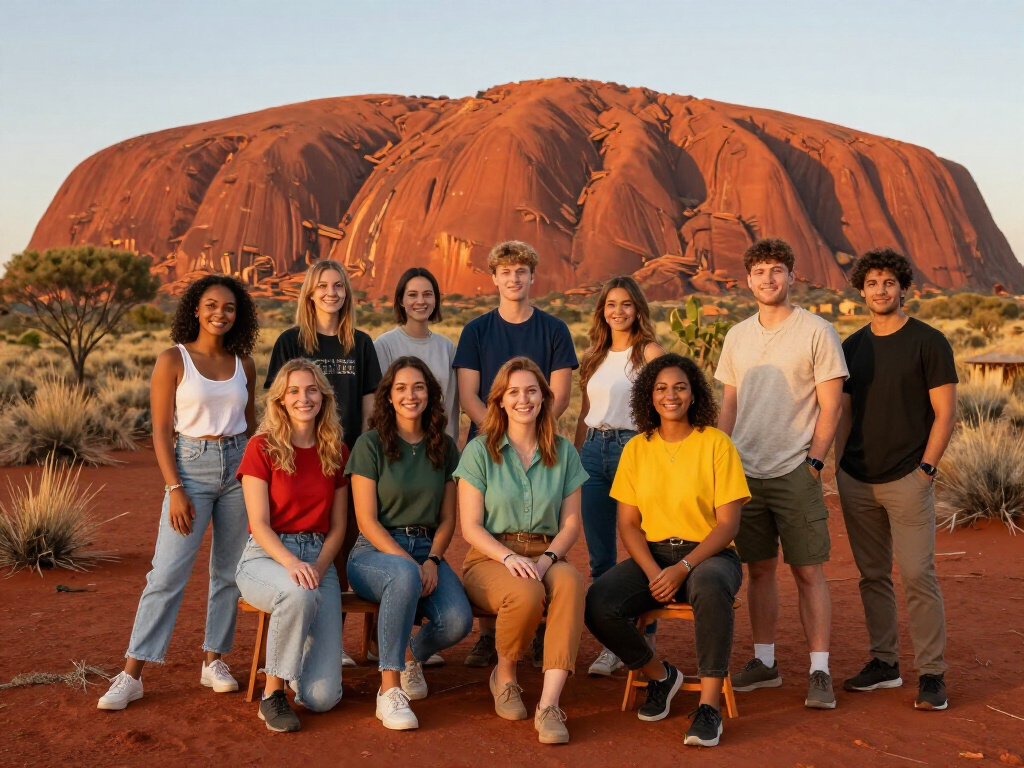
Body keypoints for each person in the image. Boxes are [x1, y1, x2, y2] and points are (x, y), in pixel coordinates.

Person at [98, 275, 258, 711]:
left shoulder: (245, 363)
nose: (220, 313)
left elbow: (251, 419)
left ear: (237, 313)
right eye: (211, 305)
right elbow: (162, 431)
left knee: (229, 572)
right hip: (191, 467)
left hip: (239, 470)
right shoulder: (174, 359)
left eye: (228, 307)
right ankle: (132, 673)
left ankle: (214, 661)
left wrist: (256, 473)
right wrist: (175, 487)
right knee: (166, 573)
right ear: (195, 309)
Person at [585, 354, 748, 747]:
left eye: (679, 387)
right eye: (660, 388)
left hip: (709, 555)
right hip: (654, 554)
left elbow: (728, 525)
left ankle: (709, 708)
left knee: (708, 588)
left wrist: (684, 567)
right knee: (598, 601)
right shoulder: (638, 449)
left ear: (693, 394)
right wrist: (654, 569)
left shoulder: (716, 444)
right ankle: (661, 676)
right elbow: (627, 523)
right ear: (648, 396)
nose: (669, 395)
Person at [716, 238, 848, 709]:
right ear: (747, 280)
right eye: (759, 272)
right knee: (759, 571)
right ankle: (765, 662)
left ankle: (819, 671)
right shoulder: (737, 336)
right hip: (745, 473)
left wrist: (813, 463)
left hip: (796, 469)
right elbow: (729, 403)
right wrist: (720, 456)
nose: (768, 279)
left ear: (792, 277)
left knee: (808, 572)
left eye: (777, 270)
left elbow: (831, 405)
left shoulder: (817, 331)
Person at [834, 248, 957, 711]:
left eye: (889, 282)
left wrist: (926, 469)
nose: (880, 290)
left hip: (909, 477)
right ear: (861, 290)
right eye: (872, 283)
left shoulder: (929, 341)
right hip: (856, 478)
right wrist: (840, 463)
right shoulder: (852, 346)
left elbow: (946, 413)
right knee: (871, 575)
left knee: (918, 575)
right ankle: (885, 663)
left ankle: (932, 675)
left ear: (903, 288)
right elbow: (843, 413)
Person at [454, 240, 578, 668]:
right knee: (493, 525)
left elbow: (559, 394)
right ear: (494, 278)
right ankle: (490, 635)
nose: (514, 279)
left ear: (531, 277)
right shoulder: (477, 331)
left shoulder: (554, 330)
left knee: (539, 520)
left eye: (521, 271)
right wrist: (501, 433)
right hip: (489, 442)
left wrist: (531, 427)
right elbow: (468, 393)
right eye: (505, 272)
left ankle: (542, 631)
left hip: (539, 441)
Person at [454, 357, 588, 745]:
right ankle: (506, 675)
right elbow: (471, 527)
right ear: (499, 400)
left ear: (545, 398)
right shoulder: (480, 451)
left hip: (547, 552)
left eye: (531, 391)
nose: (523, 399)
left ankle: (549, 704)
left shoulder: (563, 452)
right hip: (491, 556)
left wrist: (547, 560)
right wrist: (510, 557)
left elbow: (570, 524)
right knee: (526, 591)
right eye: (513, 392)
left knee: (571, 583)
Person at [345, 357, 473, 730]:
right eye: (400, 388)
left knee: (456, 621)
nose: (410, 395)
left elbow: (449, 518)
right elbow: (366, 521)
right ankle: (389, 691)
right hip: (374, 552)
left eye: (418, 387)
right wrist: (409, 564)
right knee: (403, 575)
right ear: (388, 396)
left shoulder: (445, 447)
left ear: (430, 394)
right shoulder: (370, 445)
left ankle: (411, 654)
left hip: (426, 550)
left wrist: (432, 560)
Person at [264, 259, 382, 665]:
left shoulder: (361, 343)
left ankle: (335, 640)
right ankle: (293, 642)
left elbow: (370, 412)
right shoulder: (291, 341)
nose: (332, 292)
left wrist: (366, 461)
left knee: (344, 549)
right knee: (294, 544)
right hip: (298, 463)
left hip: (344, 462)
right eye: (323, 286)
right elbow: (276, 402)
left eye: (339, 286)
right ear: (310, 293)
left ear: (347, 294)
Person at [234, 360, 348, 732]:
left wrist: (318, 565)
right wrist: (292, 564)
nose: (304, 398)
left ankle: (298, 664)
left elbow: (338, 527)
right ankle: (273, 694)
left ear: (323, 396)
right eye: (294, 391)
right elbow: (260, 525)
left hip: (320, 558)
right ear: (281, 399)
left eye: (312, 389)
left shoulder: (336, 450)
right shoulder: (261, 447)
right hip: (266, 555)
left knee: (322, 699)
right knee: (296, 593)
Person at [574, 276, 666, 676]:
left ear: (638, 308)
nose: (618, 311)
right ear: (602, 310)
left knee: (645, 545)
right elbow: (582, 411)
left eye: (626, 304)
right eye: (611, 304)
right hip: (594, 450)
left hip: (636, 448)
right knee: (600, 554)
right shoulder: (593, 355)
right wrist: (576, 457)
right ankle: (617, 641)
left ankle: (645, 640)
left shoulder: (649, 352)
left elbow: (667, 402)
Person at [374, 267, 459, 441]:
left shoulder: (447, 347)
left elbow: (451, 405)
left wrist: (450, 448)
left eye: (427, 294)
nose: (421, 301)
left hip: (438, 444)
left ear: (436, 300)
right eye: (412, 295)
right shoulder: (384, 345)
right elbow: (379, 404)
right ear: (401, 301)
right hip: (395, 445)